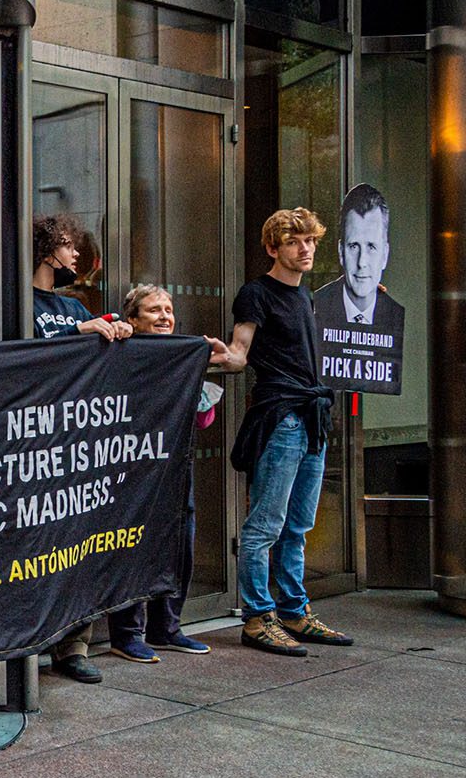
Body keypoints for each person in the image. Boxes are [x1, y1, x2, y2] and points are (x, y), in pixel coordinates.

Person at [210, 208, 354, 657]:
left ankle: (294, 610)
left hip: (313, 417)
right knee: (265, 526)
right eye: (295, 242)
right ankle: (257, 617)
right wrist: (205, 355)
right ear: (274, 248)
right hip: (282, 418)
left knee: (298, 525)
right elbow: (239, 355)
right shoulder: (256, 293)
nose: (305, 249)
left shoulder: (306, 296)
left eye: (310, 241)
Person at [31, 213, 132, 683]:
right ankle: (30, 644)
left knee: (78, 544)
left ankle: (74, 646)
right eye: (67, 245)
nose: (74, 255)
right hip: (32, 442)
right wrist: (82, 334)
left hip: (75, 441)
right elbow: (21, 356)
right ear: (46, 247)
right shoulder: (8, 300)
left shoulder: (73, 307)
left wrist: (114, 332)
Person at [104, 285, 216, 662]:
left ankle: (166, 627)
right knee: (132, 547)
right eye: (154, 311)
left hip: (174, 471)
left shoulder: (181, 356)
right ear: (132, 320)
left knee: (179, 543)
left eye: (168, 310)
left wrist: (201, 360)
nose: (165, 317)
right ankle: (126, 632)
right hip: (131, 472)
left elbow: (204, 415)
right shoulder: (118, 355)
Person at [314, 183, 404, 333]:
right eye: (354, 246)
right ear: (341, 252)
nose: (362, 262)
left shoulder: (395, 315)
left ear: (385, 255)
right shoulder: (316, 307)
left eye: (371, 247)